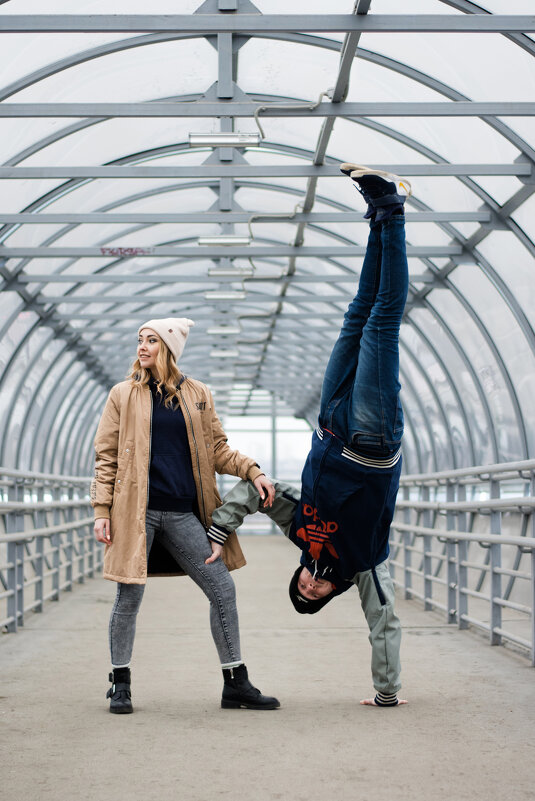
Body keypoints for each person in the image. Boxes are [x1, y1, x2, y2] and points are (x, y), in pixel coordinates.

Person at [206, 164, 411, 707]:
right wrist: (387, 693)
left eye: (301, 587)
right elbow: (383, 618)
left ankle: (377, 218)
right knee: (383, 323)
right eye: (315, 594)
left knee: (356, 315)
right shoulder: (361, 560)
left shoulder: (302, 535)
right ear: (332, 592)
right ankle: (391, 207)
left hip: (330, 422)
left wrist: (222, 530)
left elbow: (258, 493)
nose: (309, 585)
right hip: (371, 438)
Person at [91, 316, 280, 713]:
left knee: (222, 589)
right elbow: (106, 457)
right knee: (129, 596)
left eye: (152, 341)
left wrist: (253, 470)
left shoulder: (197, 394)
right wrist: (101, 510)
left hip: (181, 514)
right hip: (134, 514)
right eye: (140, 339)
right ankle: (120, 683)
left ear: (170, 349)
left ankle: (235, 683)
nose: (142, 347)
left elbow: (218, 450)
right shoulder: (123, 394)